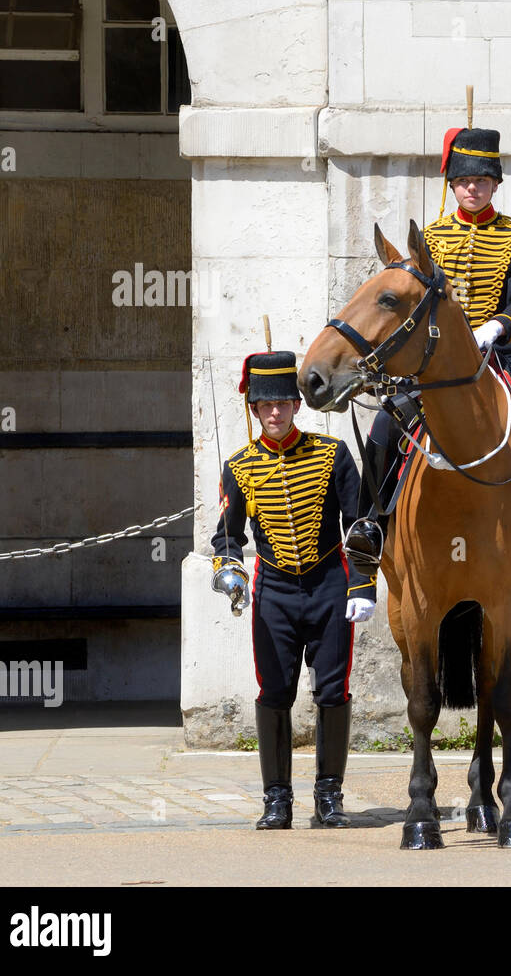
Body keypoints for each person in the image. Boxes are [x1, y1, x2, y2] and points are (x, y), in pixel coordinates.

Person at [343, 125, 511, 583]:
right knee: (384, 426)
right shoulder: (432, 239)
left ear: (495, 183)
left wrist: (495, 327)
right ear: (453, 184)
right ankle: (370, 526)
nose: (472, 188)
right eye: (464, 181)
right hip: (437, 364)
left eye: (481, 180)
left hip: (502, 356)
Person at [211, 350, 376, 830]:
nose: (276, 412)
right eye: (266, 406)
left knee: (332, 692)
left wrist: (362, 584)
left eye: (283, 402)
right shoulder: (240, 467)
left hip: (328, 584)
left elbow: (361, 524)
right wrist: (229, 569)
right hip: (275, 591)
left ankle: (329, 796)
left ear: (296, 406)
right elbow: (227, 534)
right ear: (255, 411)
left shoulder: (331, 455)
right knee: (274, 692)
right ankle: (277, 800)